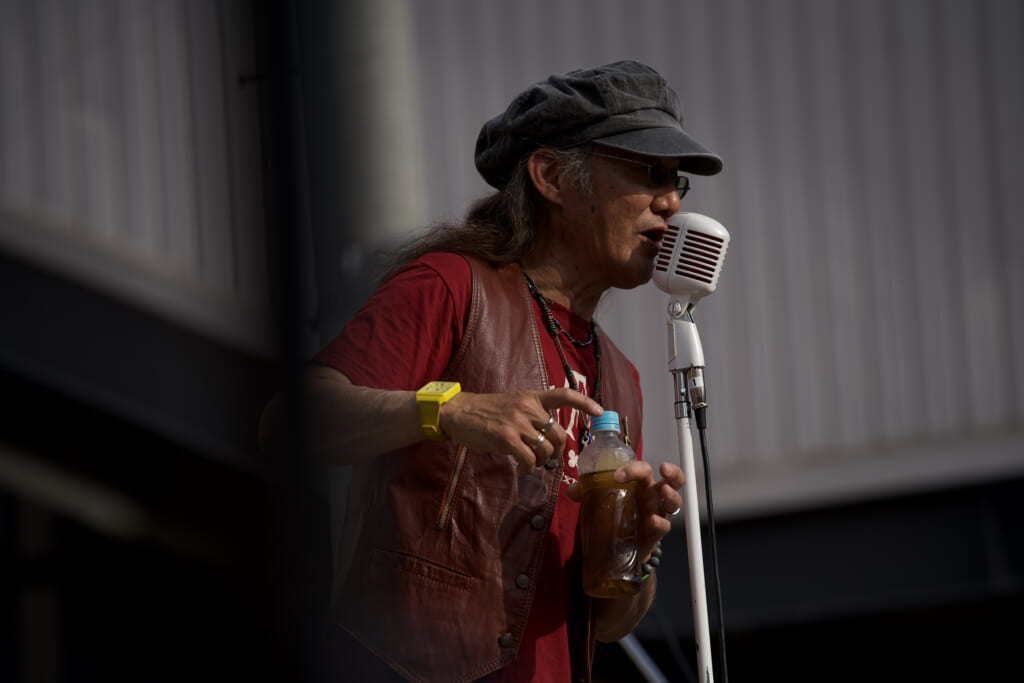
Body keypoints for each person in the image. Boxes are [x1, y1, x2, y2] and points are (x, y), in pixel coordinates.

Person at [261, 60, 723, 682]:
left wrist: (632, 553)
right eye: (647, 172)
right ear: (551, 176)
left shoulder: (623, 377)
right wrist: (447, 410)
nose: (671, 201)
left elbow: (608, 624)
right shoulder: (449, 285)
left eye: (676, 181)